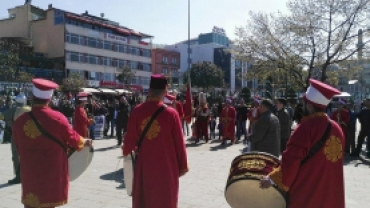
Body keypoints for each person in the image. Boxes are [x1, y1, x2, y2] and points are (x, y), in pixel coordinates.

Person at [260, 79, 345, 208]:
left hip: (308, 194)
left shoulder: (306, 127)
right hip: (331, 195)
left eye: (304, 103)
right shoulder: (337, 128)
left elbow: (292, 160)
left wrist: (272, 178)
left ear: (310, 106)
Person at [12, 78, 92, 208]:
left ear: (32, 96)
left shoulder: (20, 121)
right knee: (48, 202)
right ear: (49, 99)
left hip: (29, 170)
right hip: (51, 170)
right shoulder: (58, 118)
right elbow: (73, 138)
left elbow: (18, 146)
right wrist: (85, 141)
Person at [122, 74, 188, 208]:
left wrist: (126, 151)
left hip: (144, 165)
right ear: (166, 91)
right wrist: (182, 166)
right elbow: (179, 144)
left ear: (150, 90)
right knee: (165, 199)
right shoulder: (171, 114)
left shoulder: (137, 111)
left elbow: (128, 143)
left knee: (145, 199)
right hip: (166, 167)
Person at [0, 93, 31, 184]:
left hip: (17, 136)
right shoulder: (30, 109)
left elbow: (2, 116)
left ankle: (18, 176)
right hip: (30, 136)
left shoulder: (14, 109)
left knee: (16, 155)